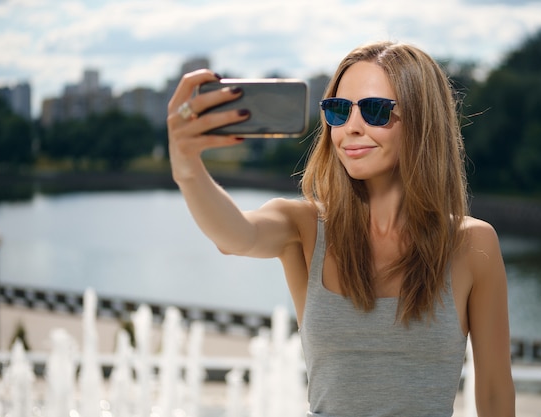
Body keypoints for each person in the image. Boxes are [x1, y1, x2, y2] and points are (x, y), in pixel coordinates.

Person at [167, 41, 515, 417]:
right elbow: (235, 236)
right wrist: (188, 169)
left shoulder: (473, 244)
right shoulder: (304, 227)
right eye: (338, 110)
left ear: (422, 119)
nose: (351, 128)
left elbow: (495, 394)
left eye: (375, 111)